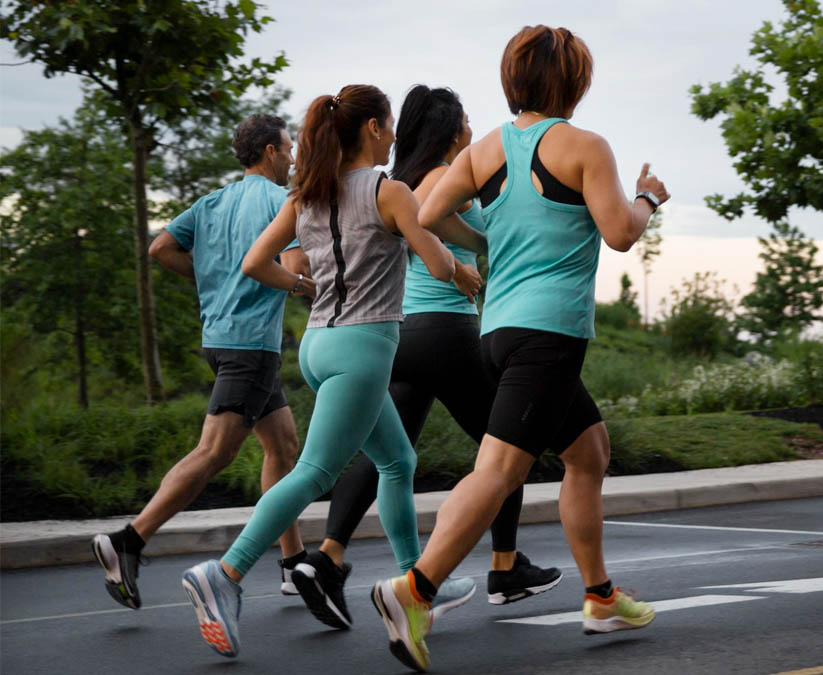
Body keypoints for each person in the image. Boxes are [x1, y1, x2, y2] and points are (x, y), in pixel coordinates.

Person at [371, 26, 670, 671]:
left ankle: (598, 596)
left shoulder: (484, 151)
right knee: (500, 471)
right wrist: (648, 197)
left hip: (498, 331)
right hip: (548, 336)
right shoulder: (585, 146)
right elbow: (619, 233)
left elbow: (425, 214)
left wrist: (485, 245)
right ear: (576, 81)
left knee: (588, 453)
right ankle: (412, 591)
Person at [180, 84, 484, 659]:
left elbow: (254, 263)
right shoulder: (387, 191)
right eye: (390, 124)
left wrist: (305, 285)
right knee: (315, 472)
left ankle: (415, 582)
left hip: (317, 346)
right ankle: (224, 573)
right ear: (372, 128)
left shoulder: (307, 194)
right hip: (364, 346)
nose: (395, 134)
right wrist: (460, 269)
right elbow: (440, 260)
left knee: (398, 460)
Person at [293, 85, 561, 632]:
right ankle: (505, 569)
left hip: (402, 336)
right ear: (449, 130)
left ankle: (327, 557)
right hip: (445, 332)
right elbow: (481, 235)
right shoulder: (442, 181)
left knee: (389, 454)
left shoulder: (404, 181)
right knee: (506, 446)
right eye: (464, 120)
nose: (471, 128)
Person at [91, 114, 307, 610]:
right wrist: (306, 281)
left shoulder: (212, 202)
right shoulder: (281, 202)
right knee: (215, 452)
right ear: (270, 152)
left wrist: (212, 279)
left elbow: (161, 247)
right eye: (288, 150)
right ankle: (129, 539)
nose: (293, 158)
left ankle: (294, 564)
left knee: (283, 445)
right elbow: (296, 268)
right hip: (251, 345)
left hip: (221, 340)